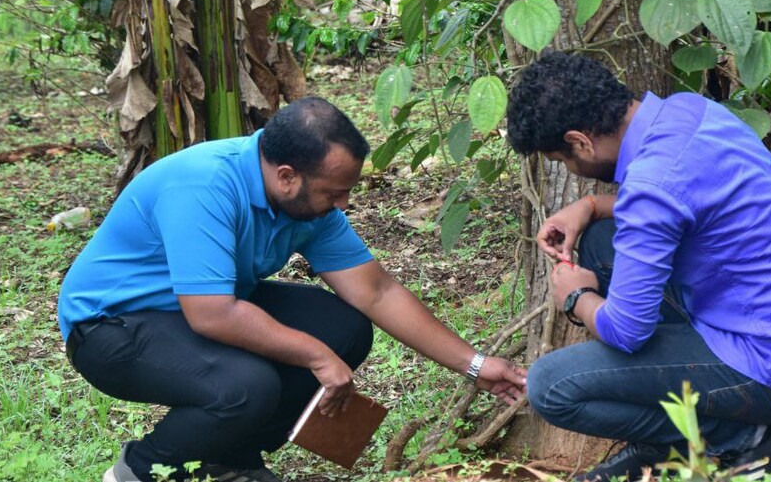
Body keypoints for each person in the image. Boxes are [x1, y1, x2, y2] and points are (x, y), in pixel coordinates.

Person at [58, 97, 527, 482]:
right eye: (334, 192)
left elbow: (376, 291)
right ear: (286, 176)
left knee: (342, 327)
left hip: (193, 310)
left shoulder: (307, 205)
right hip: (109, 329)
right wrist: (316, 357)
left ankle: (230, 460)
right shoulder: (202, 184)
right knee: (247, 386)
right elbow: (212, 314)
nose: (343, 203)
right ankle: (138, 471)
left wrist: (476, 365)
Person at [505, 52, 771, 481]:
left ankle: (741, 439)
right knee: (599, 241)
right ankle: (681, 442)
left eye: (564, 160)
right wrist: (591, 205)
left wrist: (576, 296)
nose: (572, 169)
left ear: (580, 141)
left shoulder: (651, 184)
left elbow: (628, 332)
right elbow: (680, 201)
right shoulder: (690, 111)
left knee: (550, 387)